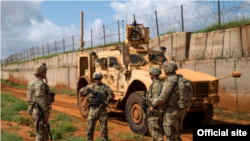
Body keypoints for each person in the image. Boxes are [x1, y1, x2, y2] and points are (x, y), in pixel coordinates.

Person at [150, 61, 184, 141]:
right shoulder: (180, 78)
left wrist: (153, 104)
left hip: (171, 112)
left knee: (171, 136)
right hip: (181, 110)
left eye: (164, 68)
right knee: (176, 135)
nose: (163, 70)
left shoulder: (170, 81)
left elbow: (162, 98)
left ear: (167, 70)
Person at [79, 72, 115, 141]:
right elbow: (82, 94)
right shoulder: (90, 87)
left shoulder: (106, 88)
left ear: (101, 79)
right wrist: (81, 91)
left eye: (98, 79)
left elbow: (112, 96)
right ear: (94, 79)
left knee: (104, 129)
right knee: (90, 128)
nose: (97, 81)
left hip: (102, 110)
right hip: (93, 109)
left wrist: (111, 97)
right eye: (96, 79)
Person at [26, 63, 54, 141]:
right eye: (44, 72)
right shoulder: (40, 84)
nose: (45, 74)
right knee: (42, 135)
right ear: (42, 73)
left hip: (35, 110)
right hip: (40, 112)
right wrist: (45, 115)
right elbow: (41, 100)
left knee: (39, 133)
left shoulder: (32, 82)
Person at [146, 66, 164, 141]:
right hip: (155, 109)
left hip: (155, 110)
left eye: (150, 73)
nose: (149, 75)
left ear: (153, 74)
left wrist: (152, 105)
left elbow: (156, 98)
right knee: (154, 130)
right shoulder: (156, 83)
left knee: (156, 131)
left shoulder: (157, 85)